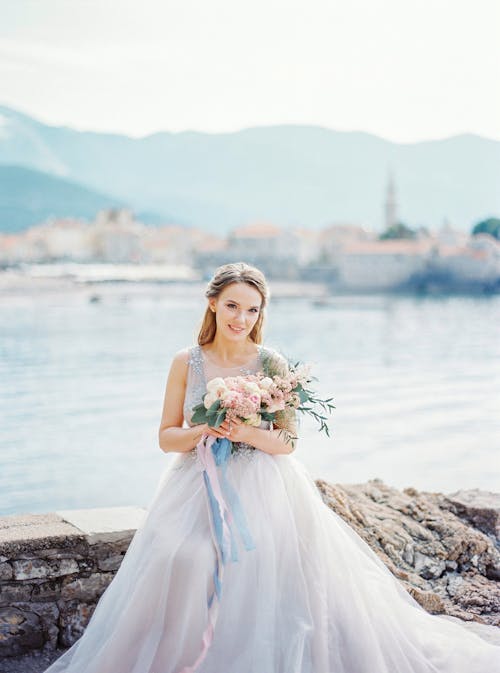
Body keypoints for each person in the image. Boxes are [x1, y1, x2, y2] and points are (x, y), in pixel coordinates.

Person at [43, 261, 499, 673]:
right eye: (232, 306)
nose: (241, 319)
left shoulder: (272, 362)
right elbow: (166, 437)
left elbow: (288, 441)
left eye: (252, 310)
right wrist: (209, 430)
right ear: (212, 304)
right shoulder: (187, 362)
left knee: (263, 563)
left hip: (266, 483)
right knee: (183, 555)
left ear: (262, 314)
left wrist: (244, 433)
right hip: (197, 481)